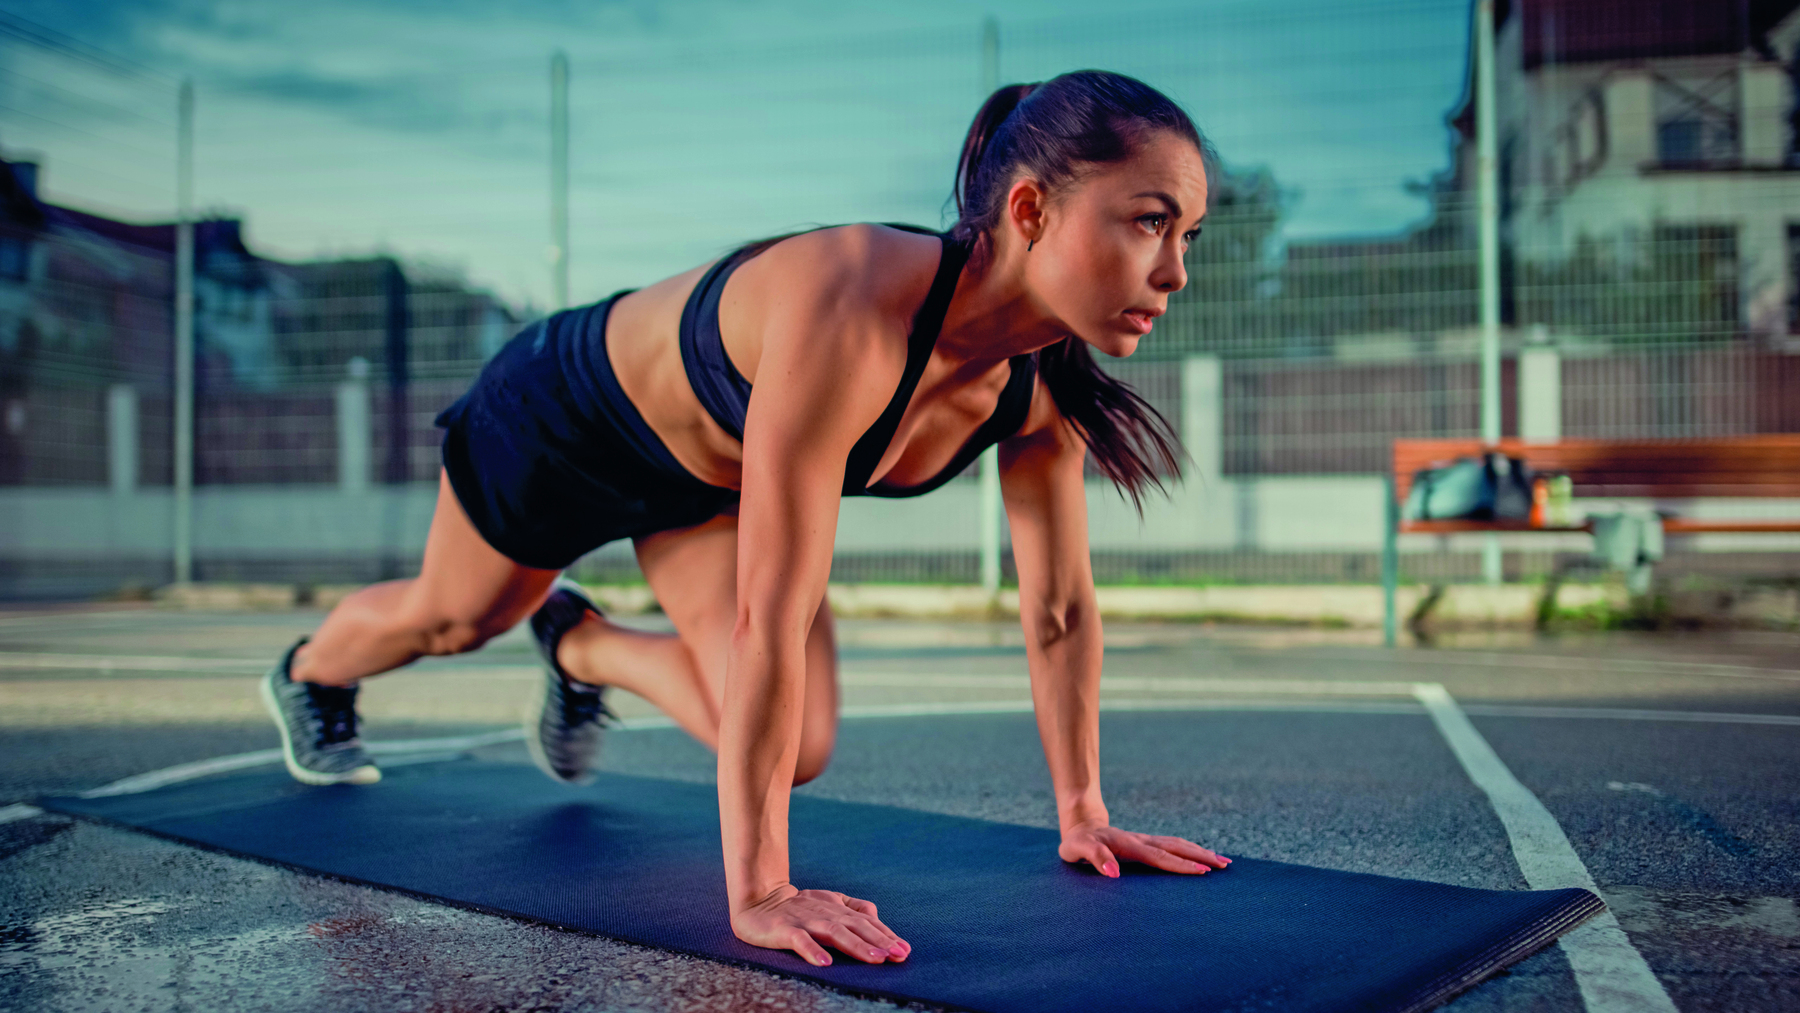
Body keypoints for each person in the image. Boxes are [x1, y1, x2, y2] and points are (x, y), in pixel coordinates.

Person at [260, 68, 1233, 970]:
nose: (1176, 271)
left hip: (704, 484)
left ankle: (579, 646)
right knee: (453, 618)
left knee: (794, 747)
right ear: (1030, 208)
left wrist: (1084, 810)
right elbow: (771, 613)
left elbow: (1058, 609)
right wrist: (761, 887)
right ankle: (310, 672)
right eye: (1150, 223)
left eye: (1187, 235)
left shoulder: (1034, 398)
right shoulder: (849, 304)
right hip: (563, 421)